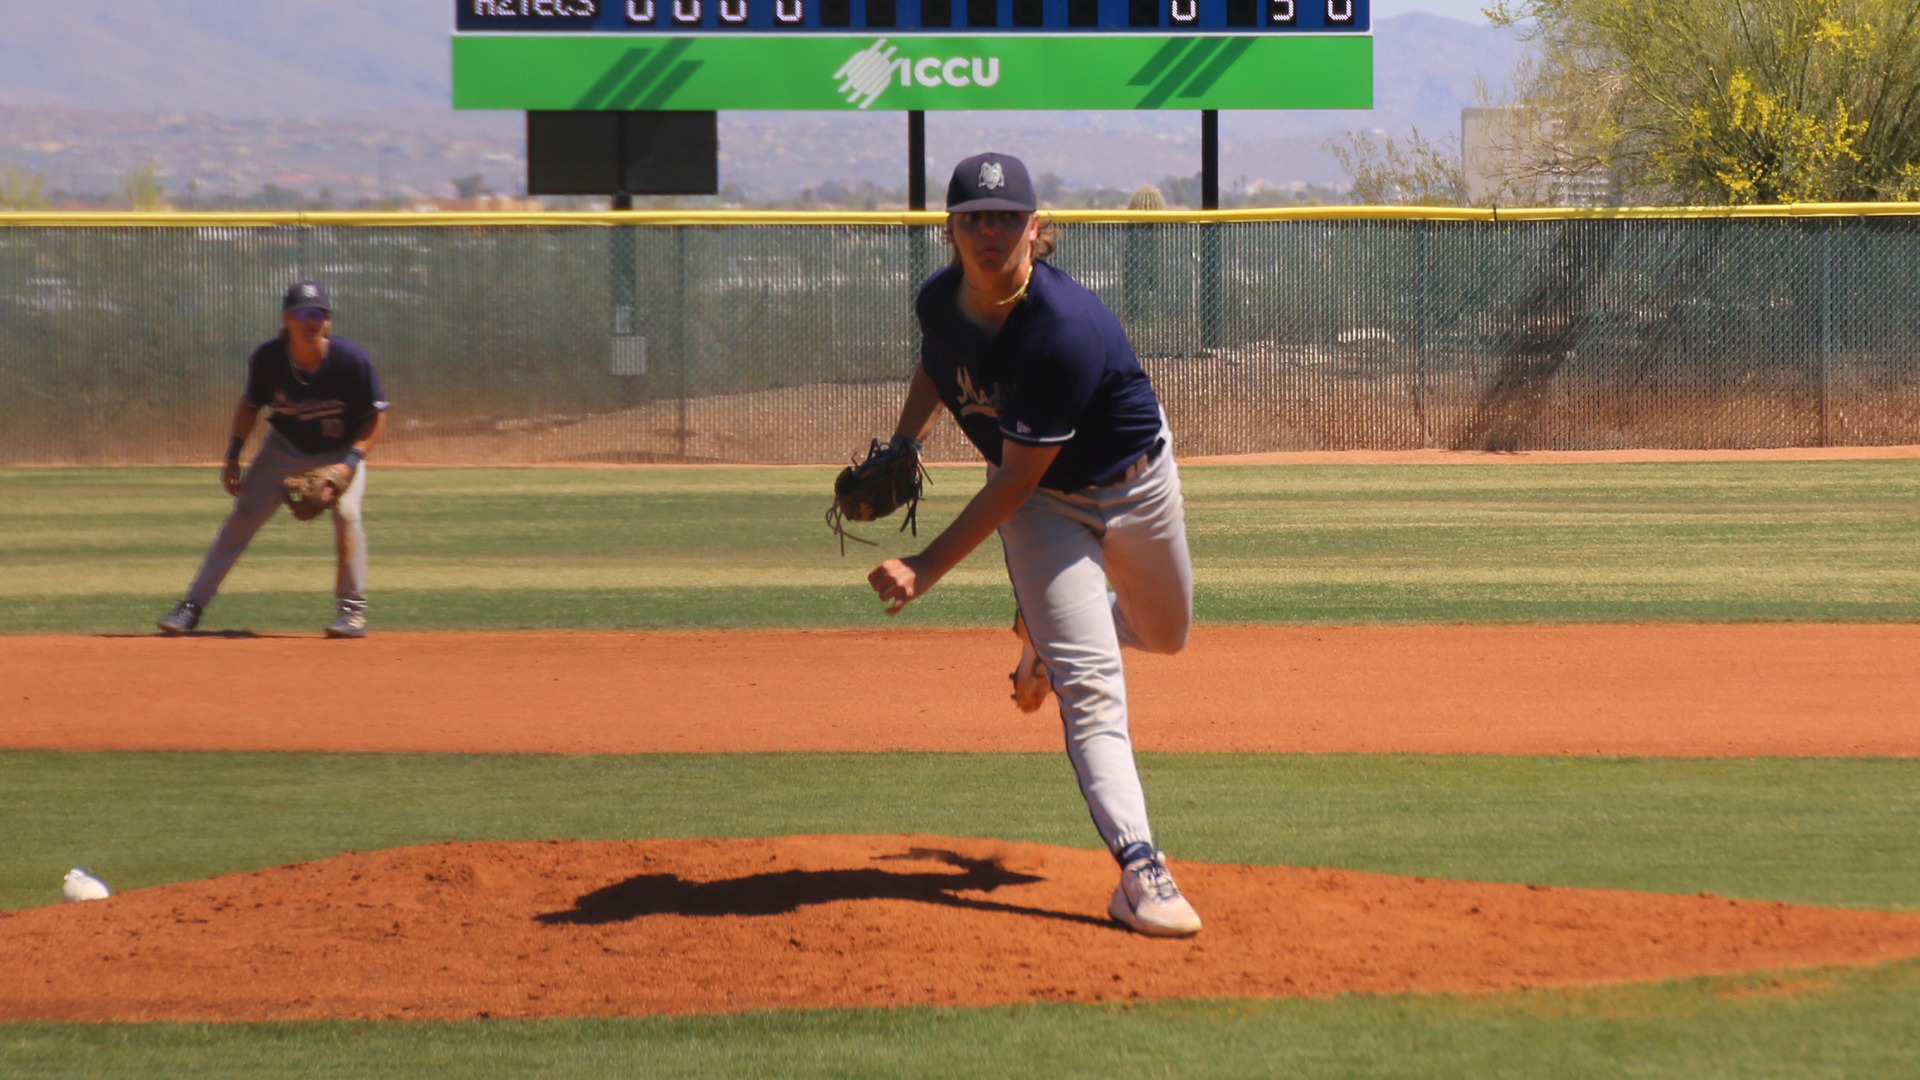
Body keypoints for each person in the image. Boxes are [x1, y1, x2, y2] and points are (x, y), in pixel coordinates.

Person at [866, 152, 1201, 937]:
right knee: (1094, 686)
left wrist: (924, 567)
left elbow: (1011, 479)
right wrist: (906, 441)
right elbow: (938, 363)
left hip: (1133, 485)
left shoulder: (1062, 329)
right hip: (1044, 511)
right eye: (974, 217)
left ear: (1036, 228)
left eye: (1006, 217)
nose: (990, 232)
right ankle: (1141, 869)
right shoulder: (938, 301)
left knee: (1166, 634)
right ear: (949, 229)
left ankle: (1046, 643)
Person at [157, 281, 389, 639]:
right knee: (242, 518)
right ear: (287, 319)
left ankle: (352, 613)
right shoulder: (268, 359)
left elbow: (377, 417)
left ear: (327, 321)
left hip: (341, 451)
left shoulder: (350, 360)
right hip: (284, 448)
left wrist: (349, 463)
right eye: (303, 313)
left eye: (319, 314)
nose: (311, 320)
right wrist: (233, 457)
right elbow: (250, 407)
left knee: (347, 514)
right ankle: (191, 606)